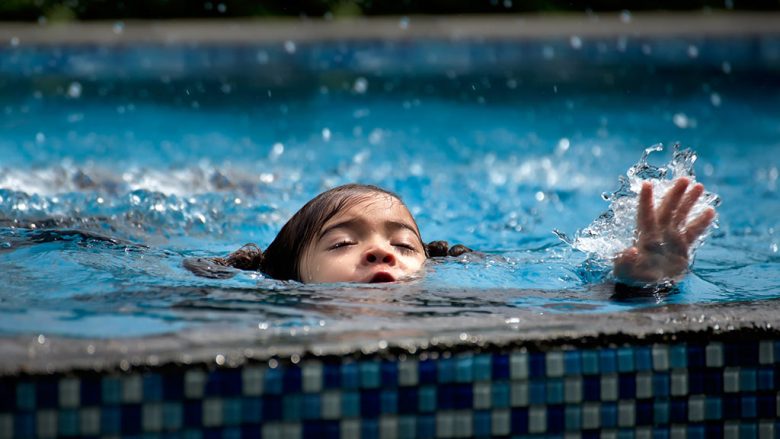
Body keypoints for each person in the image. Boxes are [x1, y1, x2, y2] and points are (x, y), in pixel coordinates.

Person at [187, 178, 714, 287]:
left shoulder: (463, 306)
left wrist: (644, 281)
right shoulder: (259, 313)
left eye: (403, 244)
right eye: (344, 242)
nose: (379, 252)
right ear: (289, 276)